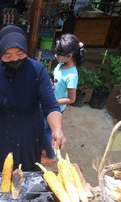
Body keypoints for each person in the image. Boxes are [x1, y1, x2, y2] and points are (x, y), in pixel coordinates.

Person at [0, 25, 67, 172]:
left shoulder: (38, 70)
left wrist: (57, 129)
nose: (14, 59)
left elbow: (50, 106)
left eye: (20, 54)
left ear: (26, 50)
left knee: (24, 168)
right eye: (7, 55)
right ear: (0, 54)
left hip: (28, 128)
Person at [41, 34, 84, 165]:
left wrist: (53, 102)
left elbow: (71, 99)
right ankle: (45, 148)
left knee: (46, 132)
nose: (55, 56)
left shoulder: (72, 75)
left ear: (70, 55)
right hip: (49, 104)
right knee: (44, 128)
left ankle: (50, 156)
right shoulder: (61, 64)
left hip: (56, 108)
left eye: (59, 53)